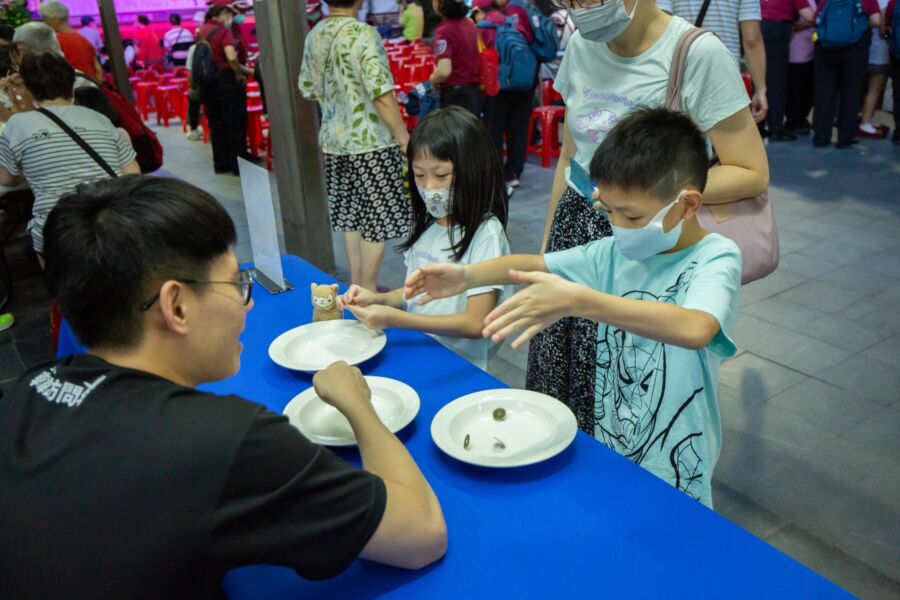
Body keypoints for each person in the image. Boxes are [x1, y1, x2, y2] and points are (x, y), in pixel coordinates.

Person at [0, 176, 447, 598]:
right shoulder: (224, 442)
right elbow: (421, 533)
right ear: (175, 305)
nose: (246, 303)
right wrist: (357, 403)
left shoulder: (30, 388)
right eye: (237, 283)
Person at [406, 108, 741, 508]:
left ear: (687, 204)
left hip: (676, 461)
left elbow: (696, 328)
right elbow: (534, 264)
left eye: (631, 215)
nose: (617, 226)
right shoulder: (614, 252)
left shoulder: (715, 256)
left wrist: (581, 300)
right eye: (609, 211)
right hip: (611, 441)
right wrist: (467, 277)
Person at [529, 0, 767, 433]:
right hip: (576, 234)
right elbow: (571, 152)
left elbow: (751, 171)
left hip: (645, 248)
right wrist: (548, 248)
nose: (580, 8)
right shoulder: (583, 45)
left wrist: (650, 199)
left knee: (627, 398)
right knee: (560, 391)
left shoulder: (695, 53)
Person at [339, 107, 510, 370]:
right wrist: (376, 299)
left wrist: (396, 319)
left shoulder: (486, 235)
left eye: (441, 175)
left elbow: (476, 323)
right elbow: (412, 296)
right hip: (418, 351)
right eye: (419, 175)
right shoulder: (428, 226)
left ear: (473, 169)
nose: (429, 187)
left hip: (457, 366)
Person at [299, 0, 411, 292]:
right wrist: (404, 138)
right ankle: (368, 290)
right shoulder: (364, 34)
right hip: (371, 141)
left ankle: (356, 286)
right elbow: (381, 93)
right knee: (376, 218)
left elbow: (307, 88)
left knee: (351, 218)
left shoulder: (315, 34)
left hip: (334, 142)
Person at [0, 53, 139, 256]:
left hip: (58, 233)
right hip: (113, 224)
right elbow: (132, 173)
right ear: (72, 84)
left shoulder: (18, 123)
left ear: (29, 91)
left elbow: (7, 178)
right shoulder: (100, 119)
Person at [657, 0, 769, 123]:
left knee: (683, 134)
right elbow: (752, 40)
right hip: (725, 75)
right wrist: (760, 90)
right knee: (725, 136)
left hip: (682, 73)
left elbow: (661, 30)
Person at [812, 0, 883, 148]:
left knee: (824, 93)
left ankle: (821, 137)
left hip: (825, 47)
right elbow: (876, 20)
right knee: (851, 92)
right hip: (854, 48)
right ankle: (845, 138)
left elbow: (816, 18)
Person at [199, 4, 253, 175]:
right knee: (235, 123)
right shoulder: (223, 32)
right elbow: (231, 56)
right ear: (222, 14)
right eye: (230, 15)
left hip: (209, 84)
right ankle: (240, 165)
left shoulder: (202, 30)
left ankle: (221, 163)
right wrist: (239, 74)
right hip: (226, 82)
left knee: (216, 123)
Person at [761, 0, 815, 141]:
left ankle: (759, 127)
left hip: (760, 27)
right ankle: (776, 129)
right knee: (777, 82)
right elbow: (808, 15)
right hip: (779, 29)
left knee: (760, 80)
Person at [430, 0, 482, 114]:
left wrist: (433, 79)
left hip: (456, 99)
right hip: (474, 93)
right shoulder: (469, 24)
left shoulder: (444, 32)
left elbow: (444, 72)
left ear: (440, 4)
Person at [38, 0, 104, 82]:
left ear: (55, 19)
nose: (43, 23)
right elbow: (98, 70)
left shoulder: (56, 41)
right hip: (91, 87)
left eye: (44, 19)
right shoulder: (83, 39)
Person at [784, 0, 819, 134]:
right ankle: (793, 121)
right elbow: (794, 24)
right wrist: (815, 20)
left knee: (807, 87)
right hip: (796, 50)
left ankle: (801, 118)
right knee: (796, 88)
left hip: (811, 49)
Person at [858, 0, 891, 138]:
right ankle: (865, 123)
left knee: (870, 86)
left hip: (866, 46)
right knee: (875, 87)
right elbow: (881, 22)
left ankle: (868, 118)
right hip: (879, 48)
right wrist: (887, 36)